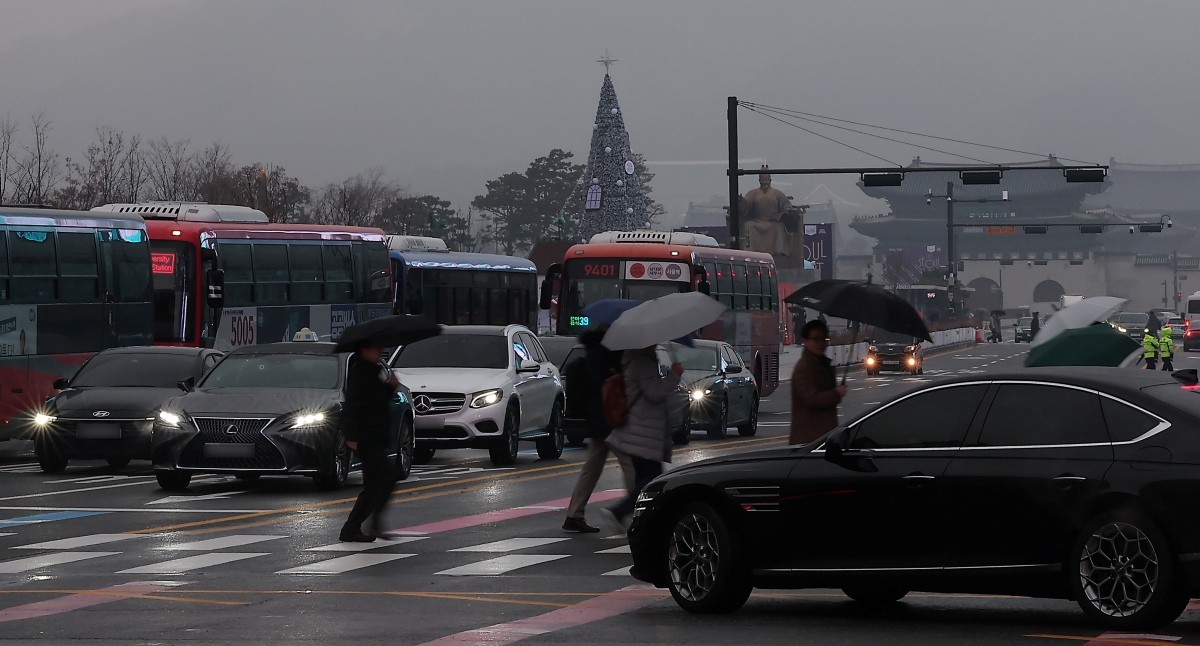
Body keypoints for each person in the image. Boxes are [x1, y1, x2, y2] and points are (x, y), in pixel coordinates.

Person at [598, 346, 683, 531]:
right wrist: (674, 375)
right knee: (650, 481)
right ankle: (621, 512)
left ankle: (643, 519)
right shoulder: (643, 362)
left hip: (640, 432)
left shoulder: (636, 360)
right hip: (643, 433)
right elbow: (655, 393)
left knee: (645, 479)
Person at [562, 327, 633, 533]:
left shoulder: (592, 352)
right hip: (610, 419)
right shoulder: (609, 354)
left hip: (596, 420)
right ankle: (636, 511)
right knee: (630, 465)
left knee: (591, 468)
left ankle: (574, 514)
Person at [339, 341, 401, 543]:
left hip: (376, 436)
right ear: (365, 350)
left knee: (373, 485)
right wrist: (351, 436)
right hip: (366, 438)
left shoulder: (373, 371)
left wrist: (391, 386)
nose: (378, 352)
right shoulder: (360, 372)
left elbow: (378, 401)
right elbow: (352, 406)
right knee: (388, 476)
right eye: (375, 348)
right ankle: (370, 524)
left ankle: (352, 528)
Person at [790, 320, 847, 445]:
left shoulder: (822, 364)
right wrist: (836, 393)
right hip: (808, 442)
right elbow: (811, 399)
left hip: (822, 439)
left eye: (824, 339)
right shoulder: (804, 368)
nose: (821, 343)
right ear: (806, 341)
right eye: (816, 339)